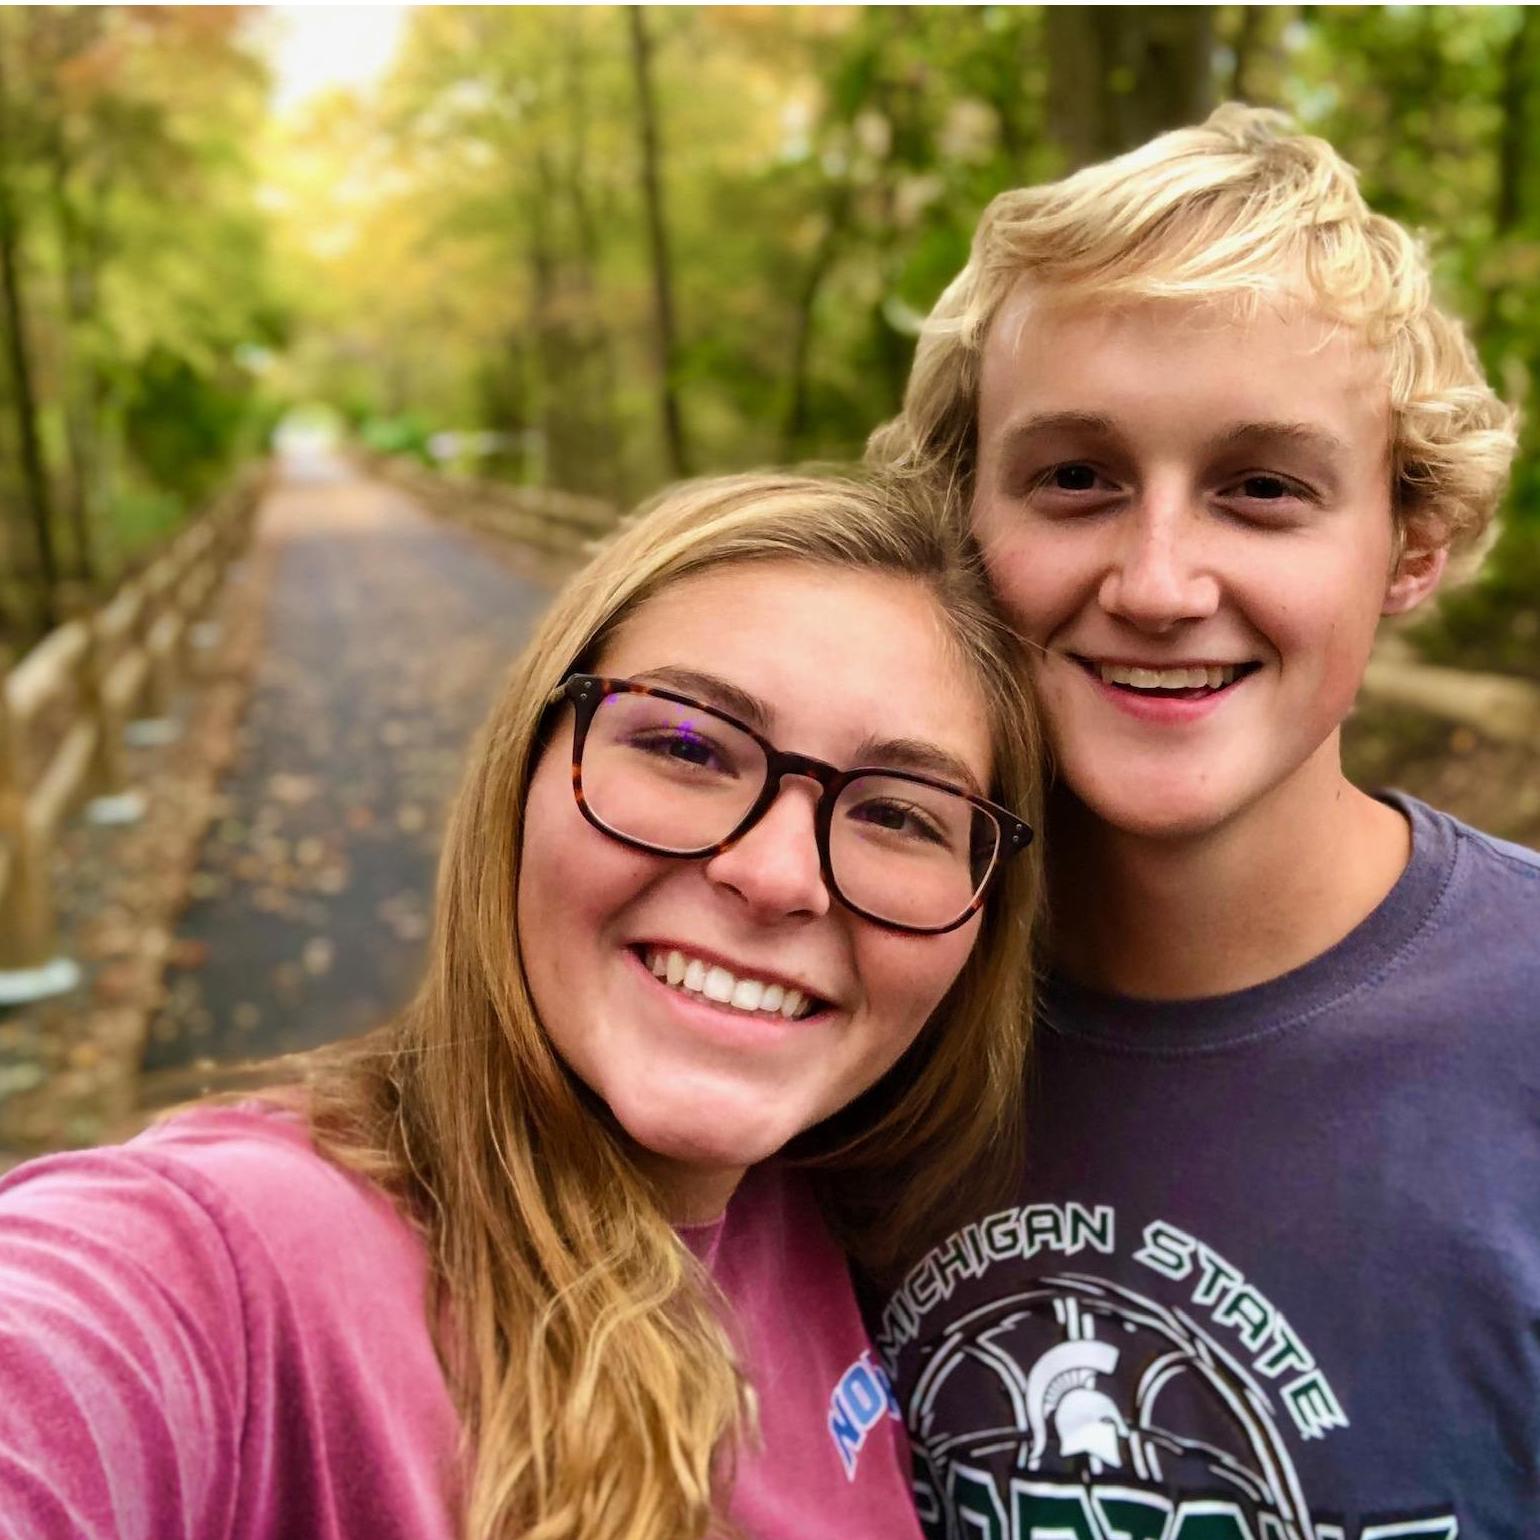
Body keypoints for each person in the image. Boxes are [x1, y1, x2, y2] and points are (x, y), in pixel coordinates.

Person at [0, 472, 1042, 1540]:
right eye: (686, 748)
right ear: (527, 766)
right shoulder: (228, 1270)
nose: (776, 875)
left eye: (902, 816)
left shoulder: (849, 1234)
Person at [866, 105, 1540, 1538]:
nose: (1162, 582)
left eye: (1263, 491)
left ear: (1410, 547)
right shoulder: (844, 994)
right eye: (1075, 479)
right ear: (962, 516)